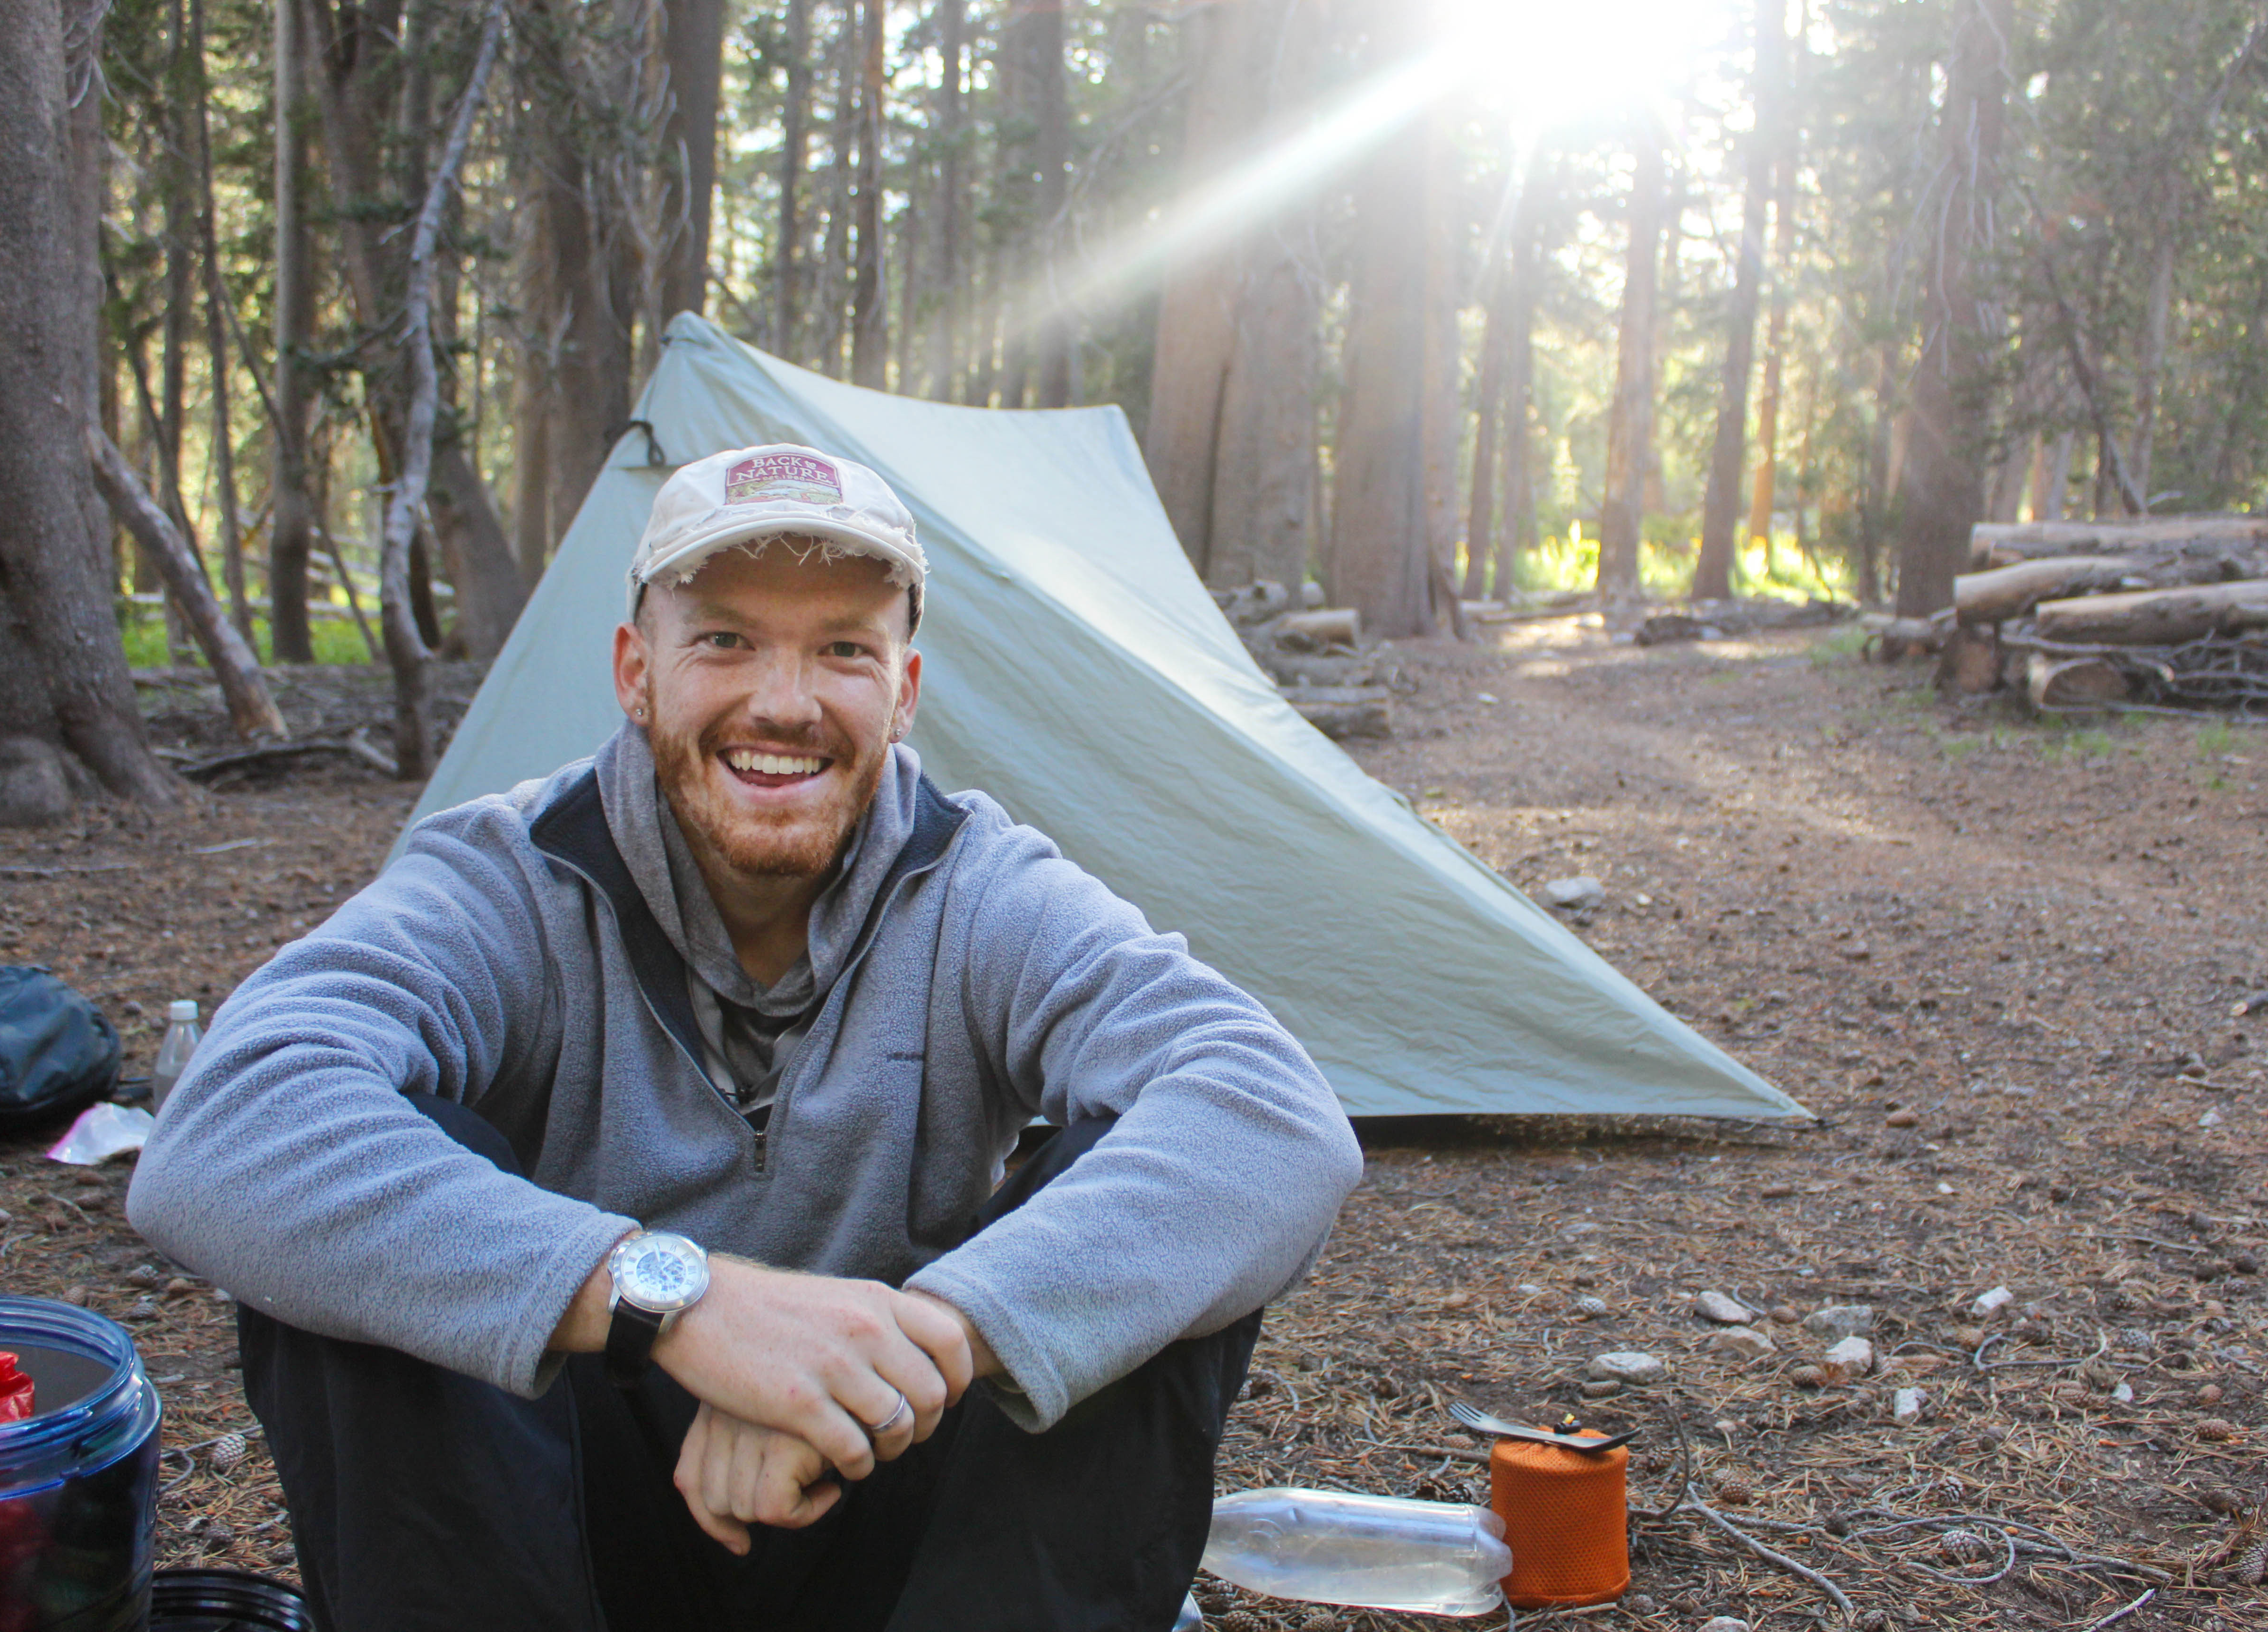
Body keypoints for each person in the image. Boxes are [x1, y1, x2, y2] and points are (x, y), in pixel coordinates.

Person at [128, 443, 1362, 1632]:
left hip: (897, 1508)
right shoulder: (510, 879)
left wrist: (926, 1339)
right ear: (635, 671)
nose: (786, 703)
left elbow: (1270, 1113)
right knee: (362, 1197)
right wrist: (685, 1306)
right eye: (725, 639)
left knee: (1134, 1198)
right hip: (561, 1537)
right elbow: (226, 1129)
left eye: (842, 650)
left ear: (904, 690)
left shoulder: (980, 887)